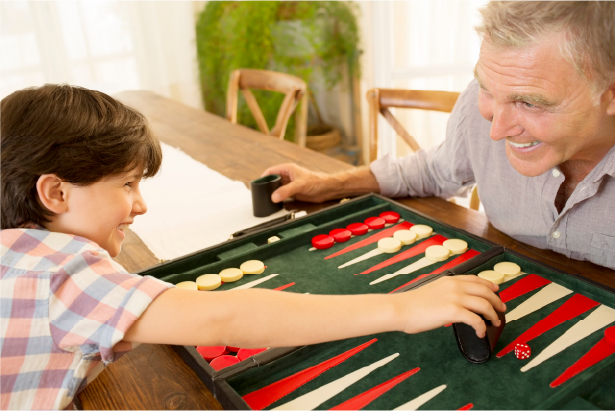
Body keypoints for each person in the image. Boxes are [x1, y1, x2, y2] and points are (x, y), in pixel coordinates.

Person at [0, 85, 504, 410]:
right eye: (127, 186)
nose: (141, 205)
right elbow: (217, 320)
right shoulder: (65, 270)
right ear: (55, 193)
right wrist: (402, 306)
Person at [263, 0, 615, 270]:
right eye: (487, 88)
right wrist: (328, 185)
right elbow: (433, 171)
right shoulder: (480, 114)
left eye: (529, 102)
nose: (496, 129)